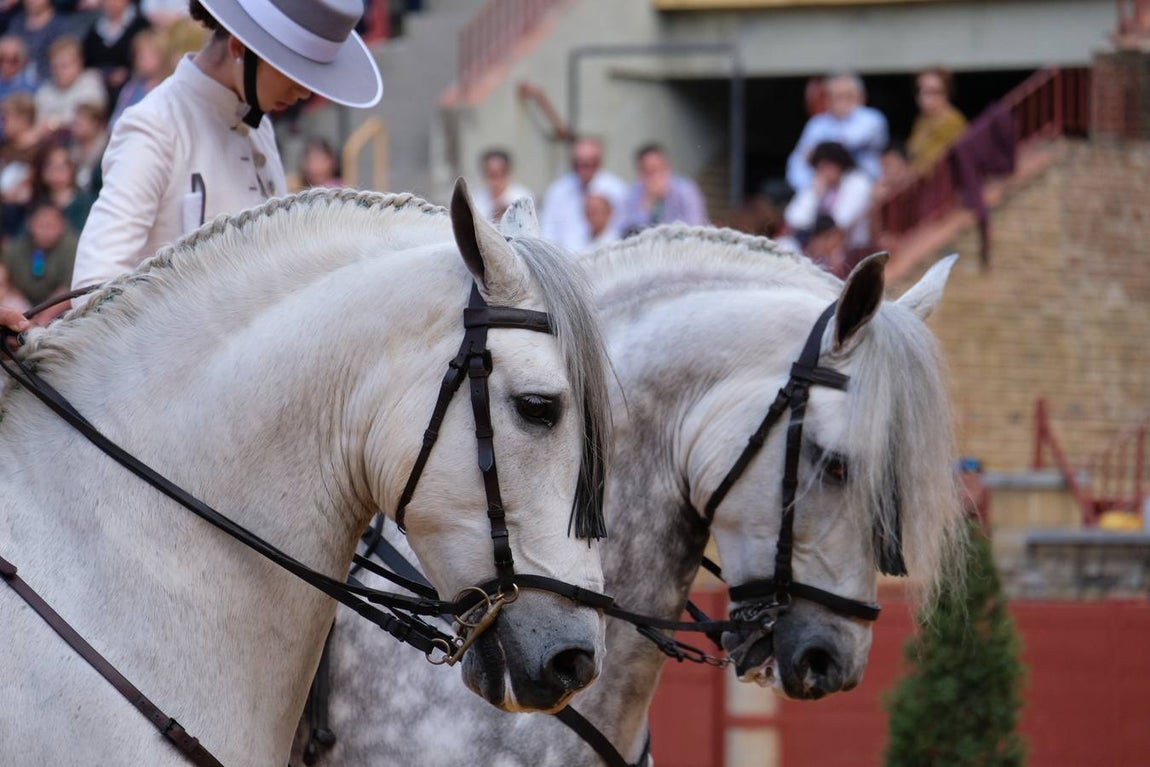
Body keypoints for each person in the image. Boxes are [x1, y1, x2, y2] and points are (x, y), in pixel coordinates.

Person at [71, 0, 384, 301]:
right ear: (238, 49)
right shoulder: (155, 125)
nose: (304, 91)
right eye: (291, 70)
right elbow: (95, 287)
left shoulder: (259, 125)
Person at [785, 72, 888, 193]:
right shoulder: (817, 124)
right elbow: (797, 161)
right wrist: (809, 184)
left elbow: (847, 143)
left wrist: (818, 153)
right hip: (822, 187)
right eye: (836, 96)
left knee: (855, 184)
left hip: (865, 183)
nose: (841, 102)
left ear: (861, 97)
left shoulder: (871, 117)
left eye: (847, 96)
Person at [540, 136, 627, 252]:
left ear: (599, 162)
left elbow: (620, 231)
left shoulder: (617, 190)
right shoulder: (558, 190)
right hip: (564, 262)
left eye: (588, 164)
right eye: (577, 164)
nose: (582, 169)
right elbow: (548, 231)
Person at [784, 141, 874, 251]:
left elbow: (842, 222)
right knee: (785, 244)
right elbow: (794, 219)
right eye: (819, 167)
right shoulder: (819, 185)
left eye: (827, 166)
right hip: (819, 245)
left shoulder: (858, 182)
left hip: (850, 248)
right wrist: (815, 196)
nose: (823, 172)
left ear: (840, 163)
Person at [2, 200, 77, 322]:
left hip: (59, 312)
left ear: (62, 225)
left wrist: (41, 319)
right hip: (21, 307)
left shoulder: (73, 247)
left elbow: (68, 290)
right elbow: (6, 283)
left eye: (51, 226)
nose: (45, 232)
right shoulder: (14, 248)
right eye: (41, 225)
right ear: (30, 224)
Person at [618, 142, 708, 235]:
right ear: (640, 173)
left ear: (668, 167)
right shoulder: (634, 193)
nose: (655, 177)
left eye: (658, 169)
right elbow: (626, 232)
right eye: (648, 172)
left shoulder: (686, 190)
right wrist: (646, 205)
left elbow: (696, 226)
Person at [82, 0, 152, 104]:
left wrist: (128, 73)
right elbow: (86, 59)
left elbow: (147, 59)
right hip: (98, 87)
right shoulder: (95, 29)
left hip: (131, 83)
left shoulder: (141, 25)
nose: (111, 2)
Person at [34, 36, 108, 131]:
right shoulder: (45, 90)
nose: (59, 71)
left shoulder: (91, 82)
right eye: (55, 67)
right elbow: (38, 123)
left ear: (79, 63)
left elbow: (87, 121)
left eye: (64, 66)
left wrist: (54, 124)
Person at [907, 66, 967, 172]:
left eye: (931, 92)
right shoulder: (922, 120)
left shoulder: (953, 122)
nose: (923, 97)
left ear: (946, 93)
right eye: (919, 90)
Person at [108, 29, 167, 127]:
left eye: (150, 55)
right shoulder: (131, 90)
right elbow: (116, 121)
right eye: (139, 56)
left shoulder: (169, 88)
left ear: (162, 56)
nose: (143, 60)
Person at [7, 0, 68, 86]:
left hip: (48, 83)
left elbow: (63, 59)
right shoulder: (16, 22)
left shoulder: (60, 25)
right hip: (13, 81)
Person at [35, 143, 94, 231]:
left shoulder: (86, 201)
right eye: (51, 167)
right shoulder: (40, 204)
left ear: (72, 169)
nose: (56, 173)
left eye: (61, 167)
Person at [471, 147, 531, 223]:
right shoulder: (476, 197)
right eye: (491, 175)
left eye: (499, 175)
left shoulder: (522, 198)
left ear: (508, 173)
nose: (495, 182)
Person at [0, 36, 36, 108]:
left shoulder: (30, 88)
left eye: (14, 60)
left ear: (24, 61)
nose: (6, 64)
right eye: (1, 58)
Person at [582, 181, 617, 252]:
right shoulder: (579, 237)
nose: (592, 217)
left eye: (596, 212)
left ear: (608, 212)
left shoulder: (614, 243)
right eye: (589, 212)